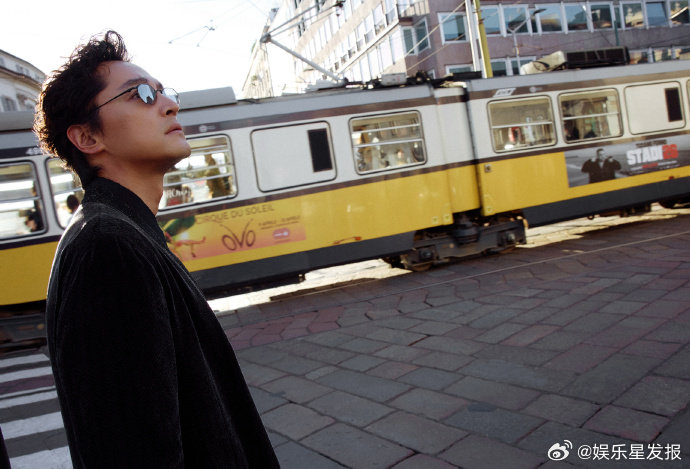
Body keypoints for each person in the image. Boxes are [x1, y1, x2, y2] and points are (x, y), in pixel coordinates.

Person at [34, 30, 279, 468]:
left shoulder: (120, 230)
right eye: (141, 95)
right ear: (87, 138)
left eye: (165, 92)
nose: (169, 105)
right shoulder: (107, 249)